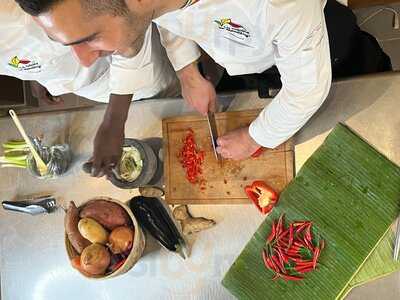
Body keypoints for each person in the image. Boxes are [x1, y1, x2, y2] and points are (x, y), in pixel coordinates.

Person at [15, 0, 331, 161]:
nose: (84, 60)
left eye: (89, 39)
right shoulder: (140, 6)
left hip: (321, 48)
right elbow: (162, 13)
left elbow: (307, 90)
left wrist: (254, 137)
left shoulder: (280, 5)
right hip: (242, 55)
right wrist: (187, 71)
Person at [2, 0, 184, 176]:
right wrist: (37, 76)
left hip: (127, 66)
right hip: (91, 87)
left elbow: (130, 27)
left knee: (173, 99)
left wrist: (114, 121)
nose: (84, 60)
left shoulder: (14, 15)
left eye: (89, 39)